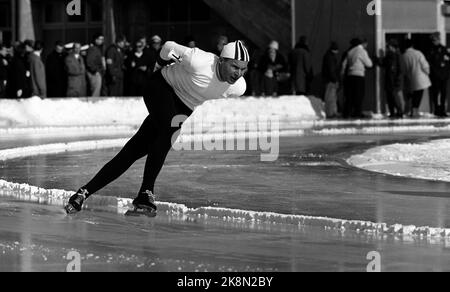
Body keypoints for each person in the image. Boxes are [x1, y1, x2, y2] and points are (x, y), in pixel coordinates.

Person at [64, 40, 249, 215]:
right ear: (221, 60)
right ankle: (146, 192)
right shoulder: (199, 60)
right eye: (234, 66)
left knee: (133, 151)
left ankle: (82, 193)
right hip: (161, 87)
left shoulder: (238, 87)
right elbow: (168, 47)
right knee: (170, 130)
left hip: (183, 107)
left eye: (243, 69)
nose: (238, 73)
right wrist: (158, 68)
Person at [341, 38, 373, 118]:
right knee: (359, 96)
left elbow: (344, 64)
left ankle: (346, 113)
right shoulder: (362, 51)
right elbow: (369, 64)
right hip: (359, 75)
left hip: (350, 75)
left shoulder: (350, 51)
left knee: (349, 96)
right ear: (363, 44)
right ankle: (357, 113)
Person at [401, 38, 431, 118]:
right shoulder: (418, 53)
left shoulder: (404, 56)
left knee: (412, 95)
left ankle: (411, 110)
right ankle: (415, 110)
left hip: (410, 79)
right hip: (421, 78)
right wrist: (427, 72)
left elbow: (403, 69)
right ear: (412, 45)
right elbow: (425, 65)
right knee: (418, 95)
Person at [427, 32, 450, 117]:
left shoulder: (443, 49)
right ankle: (436, 109)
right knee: (435, 93)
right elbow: (430, 63)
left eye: (437, 39)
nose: (435, 41)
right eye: (434, 40)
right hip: (435, 76)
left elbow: (448, 61)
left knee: (443, 94)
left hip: (443, 75)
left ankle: (442, 110)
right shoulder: (431, 50)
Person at [380, 39, 403, 118]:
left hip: (393, 80)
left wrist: (398, 80)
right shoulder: (389, 56)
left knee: (394, 97)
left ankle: (399, 111)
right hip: (389, 79)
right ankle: (392, 112)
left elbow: (400, 69)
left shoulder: (397, 55)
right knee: (390, 97)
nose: (388, 48)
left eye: (389, 46)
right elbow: (383, 63)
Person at [321, 42, 340, 118]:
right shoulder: (331, 57)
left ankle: (332, 112)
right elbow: (331, 70)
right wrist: (335, 79)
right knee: (331, 98)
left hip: (329, 79)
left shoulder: (328, 56)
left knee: (331, 97)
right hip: (331, 80)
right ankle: (331, 113)